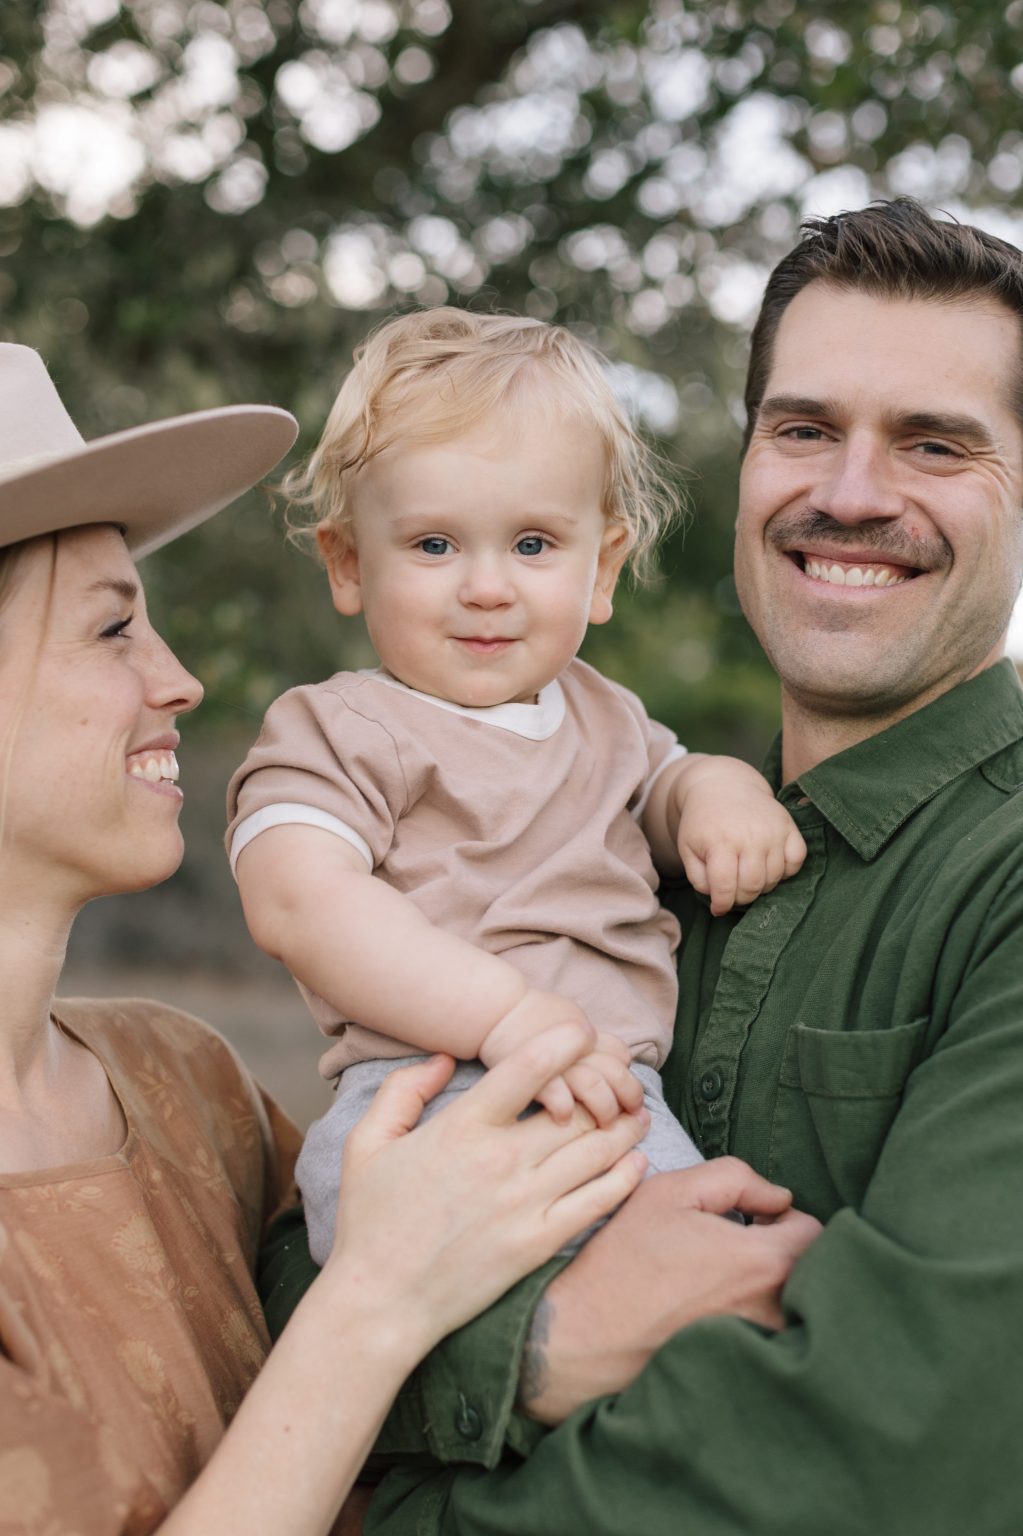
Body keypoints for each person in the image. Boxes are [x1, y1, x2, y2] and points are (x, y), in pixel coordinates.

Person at [307, 197, 1023, 1534]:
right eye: (801, 430)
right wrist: (540, 1340)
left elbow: (908, 1438)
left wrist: (416, 1431)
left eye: (934, 444)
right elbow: (283, 1271)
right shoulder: (603, 843)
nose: (849, 493)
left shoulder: (1000, 877)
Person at [0, 341, 670, 1535]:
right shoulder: (346, 742)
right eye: (112, 631)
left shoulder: (186, 1083)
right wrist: (377, 1304)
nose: (181, 680)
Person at [225, 309, 806, 1266]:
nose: (487, 586)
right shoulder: (344, 727)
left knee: (714, 1286)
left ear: (602, 568)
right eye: (435, 546)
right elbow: (297, 898)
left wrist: (719, 789)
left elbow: (665, 792)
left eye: (533, 545)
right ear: (349, 563)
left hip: (614, 1097)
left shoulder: (605, 716)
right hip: (432, 1095)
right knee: (508, 1305)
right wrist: (506, 1016)